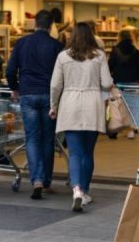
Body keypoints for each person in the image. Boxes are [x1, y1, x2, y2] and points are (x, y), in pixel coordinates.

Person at [48, 22, 116, 212]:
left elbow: (55, 85)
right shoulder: (99, 56)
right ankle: (84, 191)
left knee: (75, 152)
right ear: (91, 36)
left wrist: (53, 106)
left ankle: (76, 189)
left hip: (70, 104)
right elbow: (107, 83)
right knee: (88, 153)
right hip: (92, 104)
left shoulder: (63, 56)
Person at [6, 9, 64, 199]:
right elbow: (62, 74)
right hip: (49, 96)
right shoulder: (56, 45)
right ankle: (46, 181)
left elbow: (10, 70)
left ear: (35, 24)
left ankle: (36, 179)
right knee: (48, 138)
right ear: (51, 26)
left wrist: (15, 88)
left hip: (28, 94)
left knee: (31, 138)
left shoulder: (22, 43)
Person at [107, 28, 139, 140]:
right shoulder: (136, 51)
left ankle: (114, 130)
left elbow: (110, 66)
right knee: (132, 108)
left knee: (117, 107)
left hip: (119, 83)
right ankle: (131, 131)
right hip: (133, 83)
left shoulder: (115, 51)